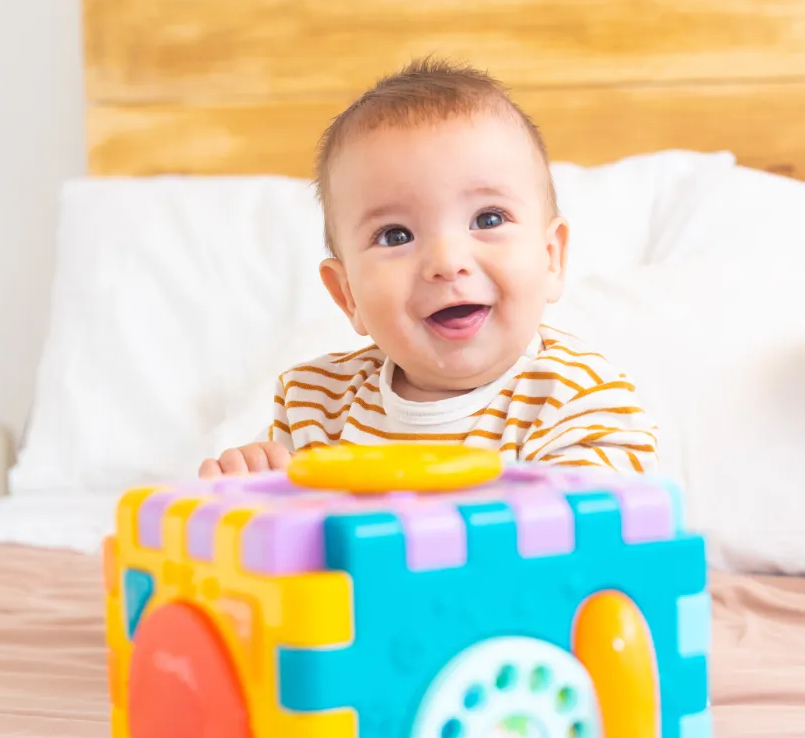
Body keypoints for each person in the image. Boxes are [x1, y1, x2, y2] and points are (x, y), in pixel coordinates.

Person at [198, 58, 657, 478]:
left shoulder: (576, 401)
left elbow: (600, 546)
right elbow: (277, 553)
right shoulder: (315, 409)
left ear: (551, 257)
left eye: (488, 219)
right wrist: (251, 493)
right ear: (348, 296)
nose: (447, 262)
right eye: (396, 235)